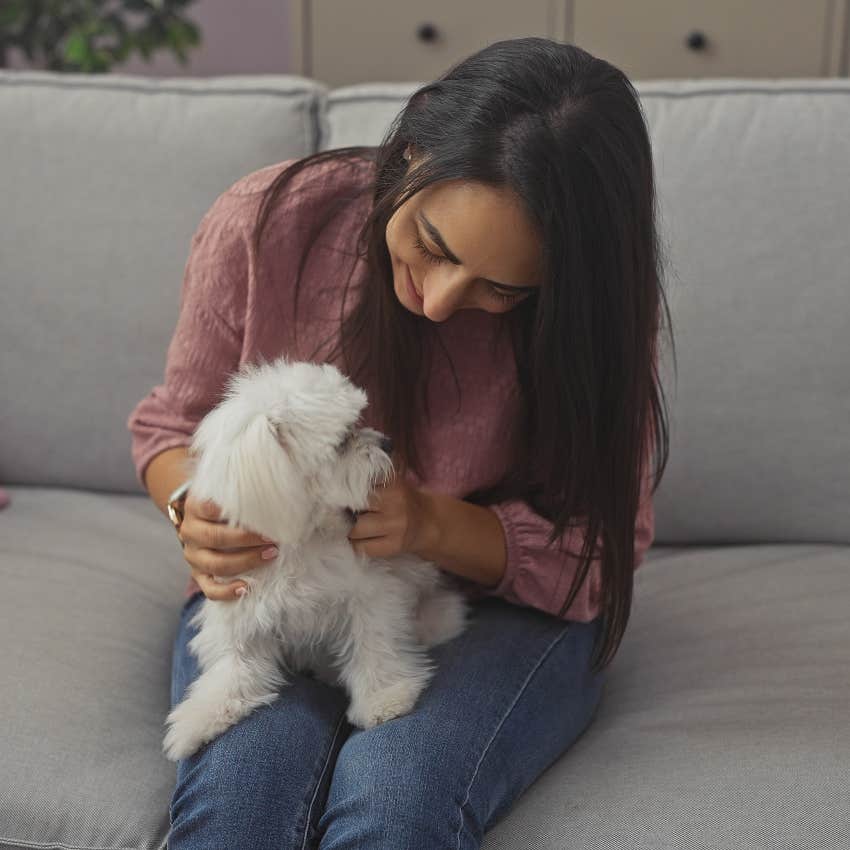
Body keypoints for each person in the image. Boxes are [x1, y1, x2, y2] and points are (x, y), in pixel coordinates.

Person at [127, 36, 672, 850]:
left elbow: (601, 552)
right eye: (434, 245)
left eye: (503, 289)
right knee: (243, 800)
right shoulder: (268, 224)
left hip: (497, 606)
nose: (443, 300)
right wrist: (191, 506)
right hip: (283, 589)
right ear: (413, 150)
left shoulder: (591, 320)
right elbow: (172, 427)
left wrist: (427, 524)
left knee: (395, 799)